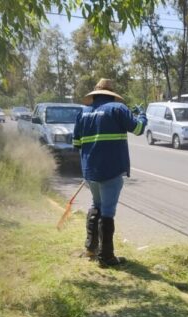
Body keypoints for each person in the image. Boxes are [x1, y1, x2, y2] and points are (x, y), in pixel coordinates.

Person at [73, 78, 147, 267]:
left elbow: (76, 144)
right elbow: (138, 129)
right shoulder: (117, 109)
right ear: (111, 94)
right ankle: (106, 257)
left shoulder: (83, 113)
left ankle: (91, 248)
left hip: (90, 171)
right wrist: (143, 116)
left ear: (95, 94)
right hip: (111, 170)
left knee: (95, 205)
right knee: (107, 212)